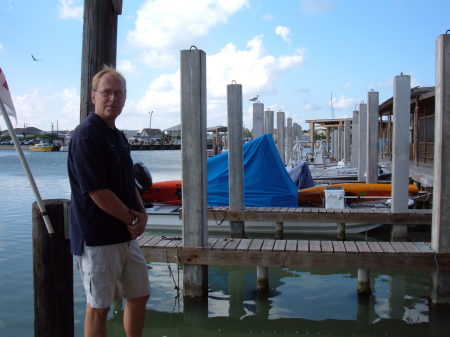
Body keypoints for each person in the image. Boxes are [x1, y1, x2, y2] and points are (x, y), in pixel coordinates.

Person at [68, 66, 150, 337]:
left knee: (139, 295)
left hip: (126, 236)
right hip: (98, 237)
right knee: (99, 307)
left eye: (119, 93)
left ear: (125, 98)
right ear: (94, 96)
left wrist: (142, 213)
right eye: (107, 93)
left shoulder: (117, 135)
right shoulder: (87, 134)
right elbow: (97, 192)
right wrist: (131, 219)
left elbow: (128, 180)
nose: (113, 98)